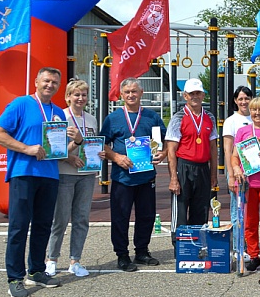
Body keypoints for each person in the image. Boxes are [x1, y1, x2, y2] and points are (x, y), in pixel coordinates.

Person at [0, 67, 66, 297]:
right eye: (46, 81)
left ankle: (36, 271)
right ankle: (15, 278)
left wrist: (75, 141)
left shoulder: (58, 112)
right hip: (23, 173)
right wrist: (26, 149)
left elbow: (58, 150)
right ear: (36, 82)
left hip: (49, 175)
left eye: (54, 82)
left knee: (43, 225)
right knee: (19, 226)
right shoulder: (20, 104)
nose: (50, 85)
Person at [100, 77, 168, 272]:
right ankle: (122, 255)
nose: (131, 95)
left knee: (146, 215)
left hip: (146, 176)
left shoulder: (152, 117)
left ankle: (142, 251)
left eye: (134, 91)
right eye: (127, 92)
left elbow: (165, 141)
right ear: (122, 95)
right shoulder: (113, 118)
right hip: (122, 177)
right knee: (120, 217)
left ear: (141, 93)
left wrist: (163, 153)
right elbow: (102, 143)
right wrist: (116, 157)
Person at [45, 78, 104, 278]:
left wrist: (99, 153)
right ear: (68, 96)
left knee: (81, 219)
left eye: (84, 95)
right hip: (65, 174)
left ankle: (75, 261)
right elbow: (53, 149)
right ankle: (51, 259)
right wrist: (70, 157)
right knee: (60, 219)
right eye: (76, 94)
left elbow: (91, 144)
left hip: (87, 175)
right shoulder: (60, 116)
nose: (80, 98)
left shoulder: (92, 119)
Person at [165, 78, 218, 244]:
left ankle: (197, 246)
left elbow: (213, 148)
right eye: (191, 93)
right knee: (180, 209)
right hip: (184, 167)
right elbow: (171, 150)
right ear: (185, 96)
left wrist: (213, 174)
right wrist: (173, 178)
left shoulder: (209, 117)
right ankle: (179, 246)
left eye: (198, 93)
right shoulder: (178, 117)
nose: (195, 96)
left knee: (201, 209)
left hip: (203, 168)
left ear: (203, 95)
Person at [230, 96, 260, 271]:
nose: (257, 113)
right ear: (249, 111)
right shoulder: (243, 131)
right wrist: (236, 168)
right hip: (247, 182)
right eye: (254, 109)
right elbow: (235, 156)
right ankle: (254, 255)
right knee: (249, 222)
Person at [221, 85, 253, 262]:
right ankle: (238, 247)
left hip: (255, 172)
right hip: (238, 172)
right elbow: (227, 150)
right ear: (235, 101)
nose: (244, 102)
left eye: (247, 98)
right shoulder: (231, 121)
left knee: (251, 211)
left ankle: (251, 246)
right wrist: (231, 174)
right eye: (240, 99)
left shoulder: (256, 117)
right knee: (238, 210)